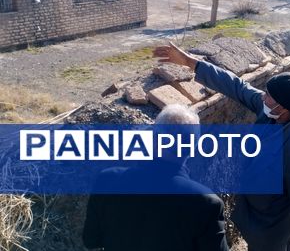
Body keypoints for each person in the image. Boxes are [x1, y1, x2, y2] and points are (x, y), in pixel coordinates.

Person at [152, 43, 290, 251]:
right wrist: (190, 62)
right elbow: (237, 86)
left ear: (284, 108)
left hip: (271, 227)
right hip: (252, 212)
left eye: (269, 96)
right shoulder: (274, 109)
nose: (263, 98)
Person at [82, 104, 229, 251]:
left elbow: (91, 240)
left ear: (153, 138)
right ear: (194, 147)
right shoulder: (207, 203)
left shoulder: (108, 180)